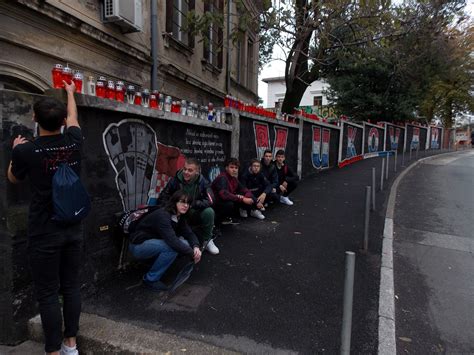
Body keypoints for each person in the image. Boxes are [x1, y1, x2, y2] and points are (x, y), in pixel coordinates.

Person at [8, 81, 83, 355]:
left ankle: (52, 351)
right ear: (63, 121)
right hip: (73, 227)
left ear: (34, 119)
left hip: (43, 231)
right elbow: (74, 118)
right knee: (72, 286)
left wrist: (14, 149)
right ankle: (70, 345)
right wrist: (72, 93)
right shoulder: (75, 142)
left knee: (48, 293)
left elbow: (14, 178)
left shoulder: (26, 150)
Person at [128, 190, 202, 291]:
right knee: (172, 247)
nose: (185, 205)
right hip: (138, 246)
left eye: (188, 203)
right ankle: (150, 279)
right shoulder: (163, 215)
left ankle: (155, 263)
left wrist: (196, 247)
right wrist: (192, 253)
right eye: (182, 202)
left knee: (185, 244)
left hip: (152, 243)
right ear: (174, 202)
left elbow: (189, 233)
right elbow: (172, 241)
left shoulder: (179, 216)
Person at [156, 158, 219, 255]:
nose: (186, 172)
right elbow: (163, 197)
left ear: (197, 171)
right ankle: (180, 236)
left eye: (190, 170)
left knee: (209, 212)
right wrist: (171, 207)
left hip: (193, 210)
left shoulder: (203, 181)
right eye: (185, 169)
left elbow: (211, 200)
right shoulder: (175, 180)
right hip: (178, 212)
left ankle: (207, 240)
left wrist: (193, 203)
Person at [211, 158, 255, 224]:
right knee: (230, 203)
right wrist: (242, 199)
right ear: (226, 168)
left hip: (224, 201)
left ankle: (232, 216)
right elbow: (224, 195)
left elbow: (244, 189)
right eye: (231, 167)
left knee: (244, 197)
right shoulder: (222, 178)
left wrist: (247, 197)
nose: (234, 170)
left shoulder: (234, 179)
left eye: (236, 168)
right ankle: (220, 220)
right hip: (215, 204)